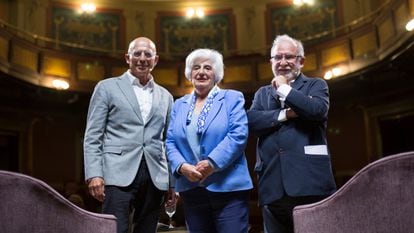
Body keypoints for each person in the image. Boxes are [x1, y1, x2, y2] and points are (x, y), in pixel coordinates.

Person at [83, 36, 175, 233]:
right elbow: (93, 135)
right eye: (137, 53)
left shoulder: (166, 96)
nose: (142, 58)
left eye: (148, 54)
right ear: (127, 57)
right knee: (115, 230)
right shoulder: (106, 87)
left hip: (155, 176)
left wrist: (172, 183)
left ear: (155, 60)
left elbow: (169, 141)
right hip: (116, 174)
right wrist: (94, 174)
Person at [247, 34, 337, 233]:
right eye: (277, 57)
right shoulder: (262, 93)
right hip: (272, 187)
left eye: (289, 57)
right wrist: (287, 114)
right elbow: (252, 122)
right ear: (271, 61)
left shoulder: (316, 85)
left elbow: (316, 110)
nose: (283, 62)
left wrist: (284, 88)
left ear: (301, 61)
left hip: (310, 184)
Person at [166, 48, 253, 233]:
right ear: (190, 73)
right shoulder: (179, 104)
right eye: (196, 67)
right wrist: (182, 166)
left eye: (208, 67)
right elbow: (170, 142)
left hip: (228, 188)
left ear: (217, 74)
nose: (201, 72)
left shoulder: (232, 98)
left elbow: (238, 135)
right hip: (192, 188)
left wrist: (212, 163)